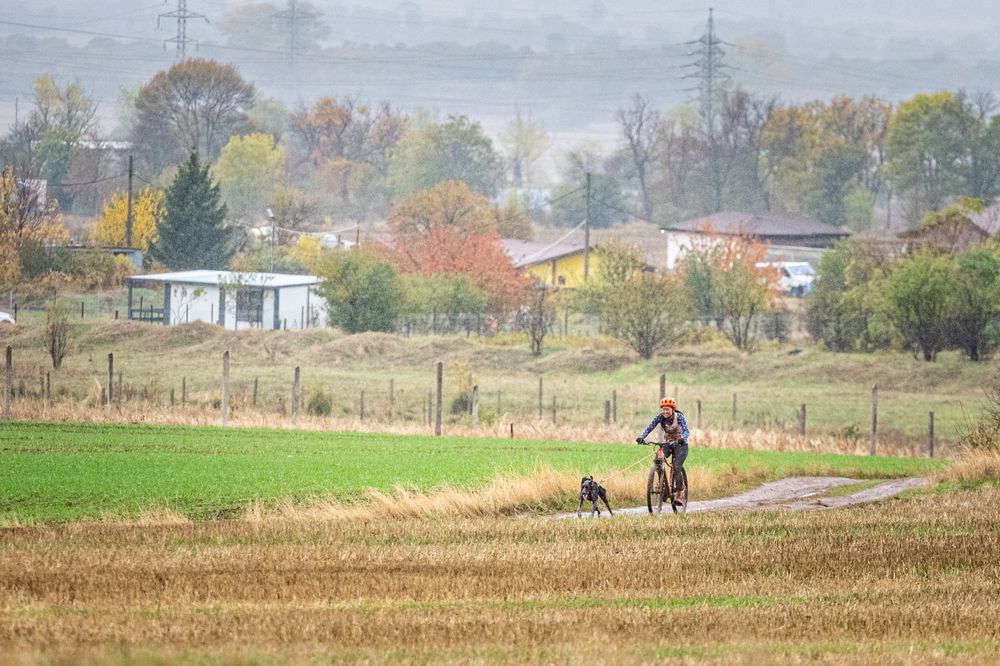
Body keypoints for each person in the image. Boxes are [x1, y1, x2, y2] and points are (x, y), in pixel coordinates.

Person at [635, 397, 689, 501]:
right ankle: (662, 487)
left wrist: (683, 438)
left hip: (681, 445)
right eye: (663, 409)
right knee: (658, 461)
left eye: (667, 409)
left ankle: (679, 492)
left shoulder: (679, 417)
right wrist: (641, 437)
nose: (665, 411)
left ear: (672, 409)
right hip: (668, 443)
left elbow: (687, 431)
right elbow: (649, 427)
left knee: (676, 467)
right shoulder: (659, 417)